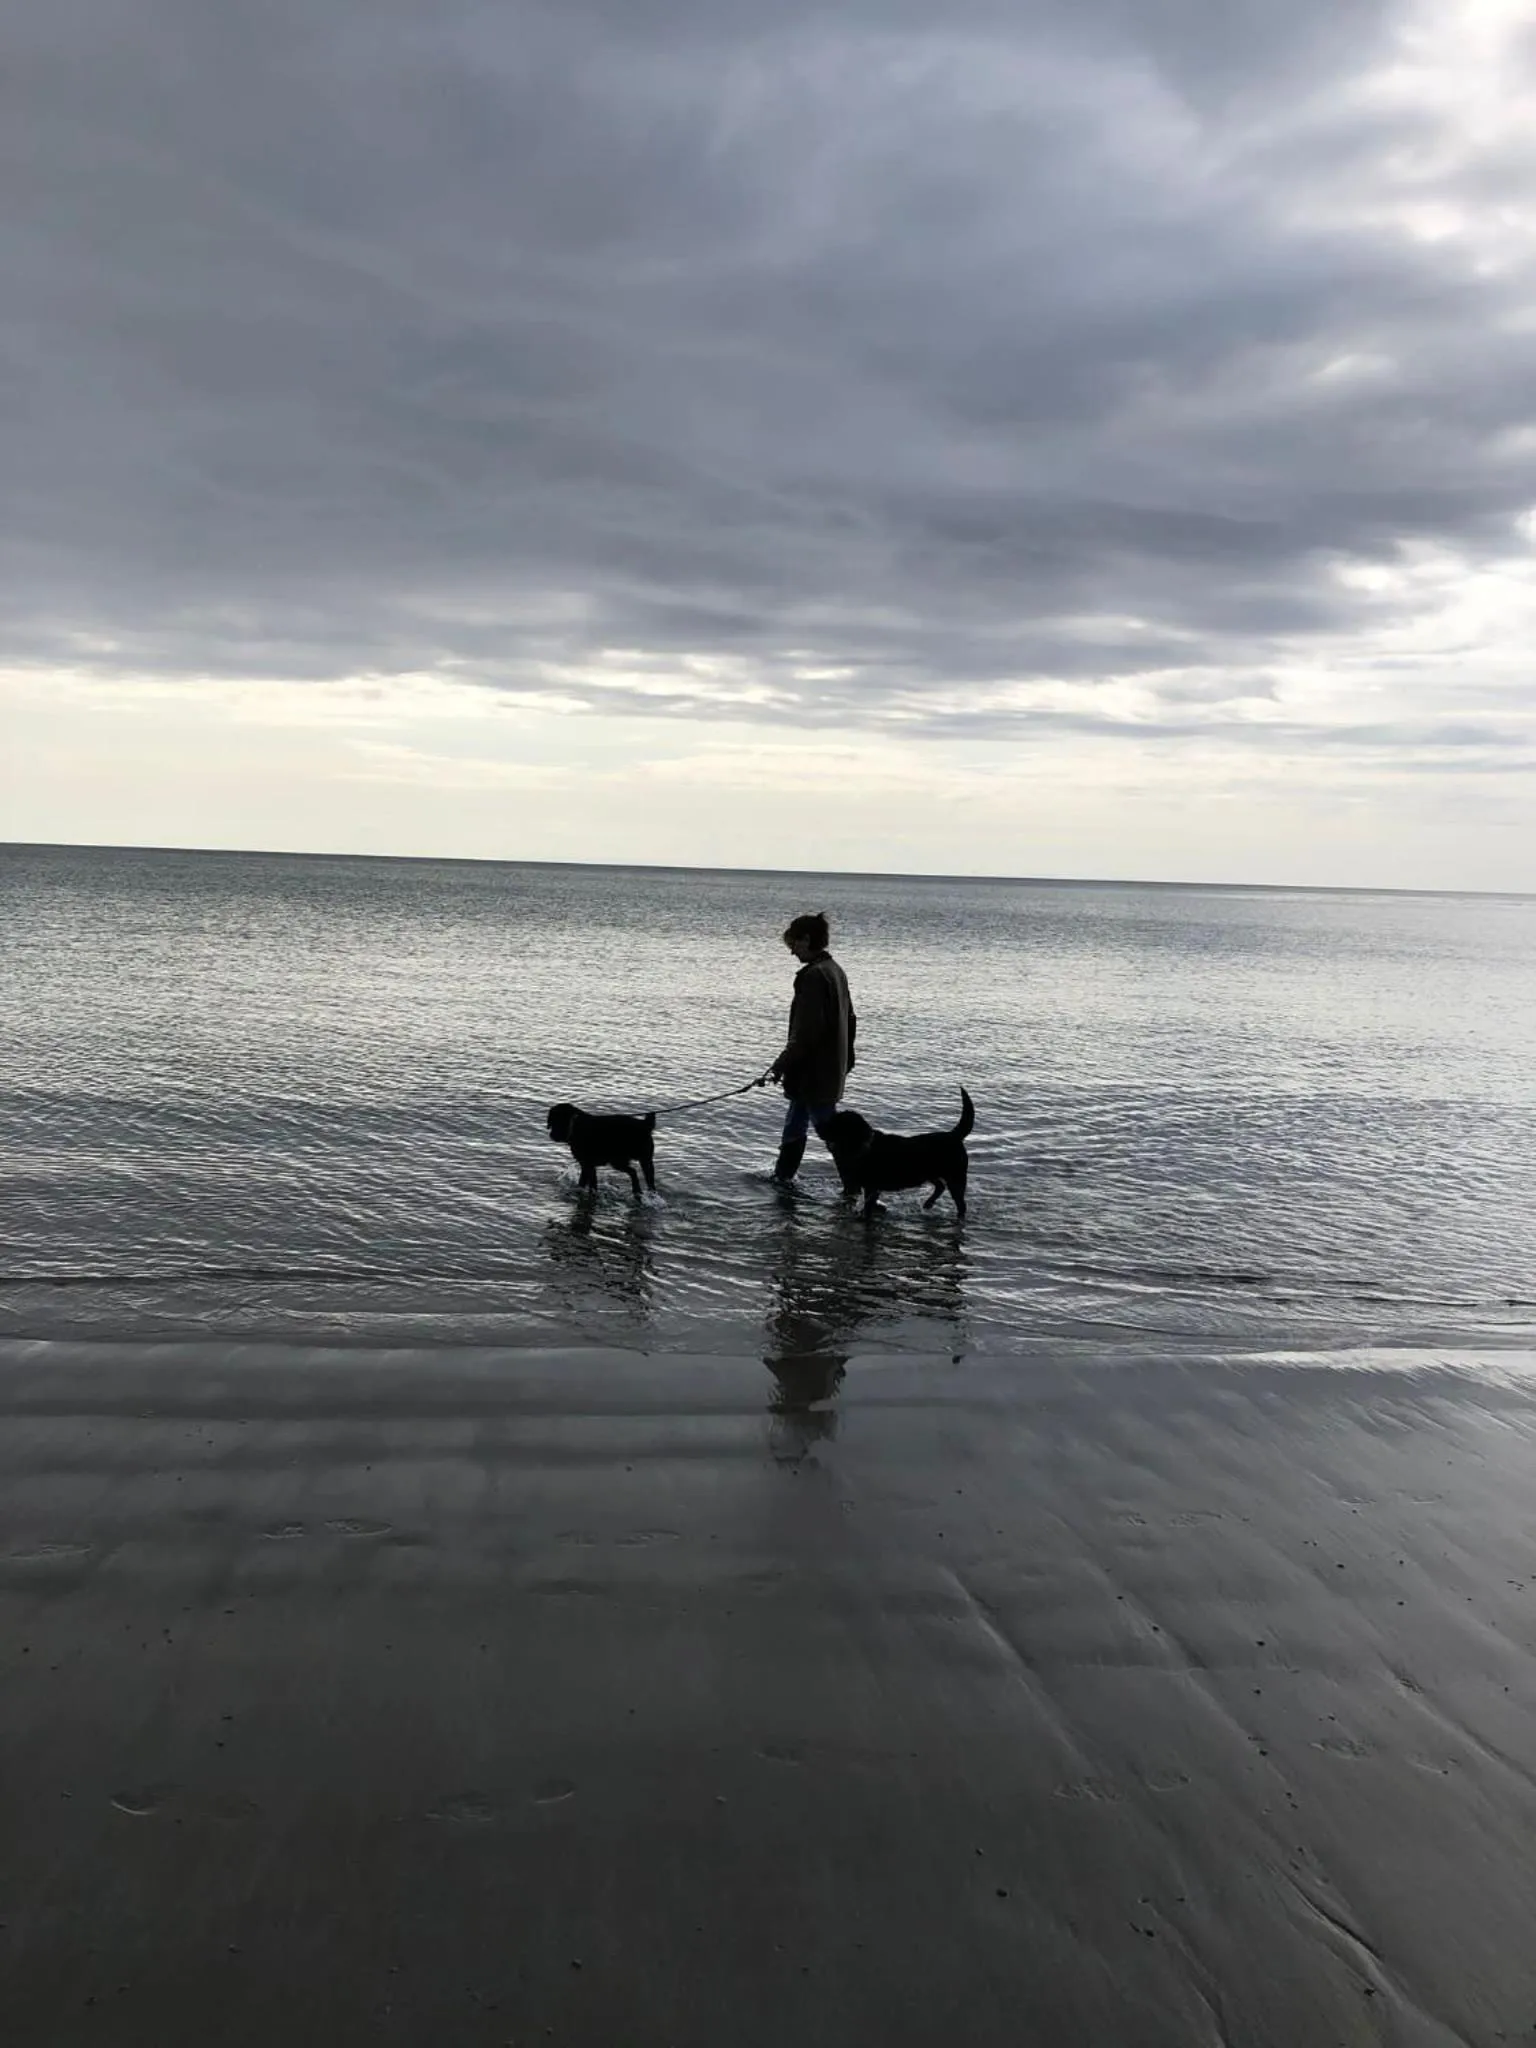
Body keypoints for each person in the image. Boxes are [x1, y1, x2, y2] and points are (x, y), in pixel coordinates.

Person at [766, 911, 857, 1185]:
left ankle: (855, 1185)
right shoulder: (835, 970)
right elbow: (851, 1020)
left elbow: (805, 1034)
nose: (792, 952)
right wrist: (848, 1059)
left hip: (814, 1073)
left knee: (829, 1130)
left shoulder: (814, 976)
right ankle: (783, 1178)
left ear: (806, 940)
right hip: (826, 1068)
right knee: (796, 1121)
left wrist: (780, 1065)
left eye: (793, 944)